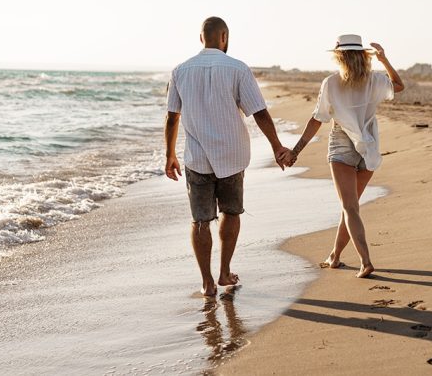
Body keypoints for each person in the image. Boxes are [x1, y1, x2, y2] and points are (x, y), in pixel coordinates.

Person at [164, 16, 291, 296]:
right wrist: (276, 146)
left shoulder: (180, 71)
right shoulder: (238, 69)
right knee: (231, 213)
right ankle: (224, 272)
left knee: (200, 220)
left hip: (196, 158)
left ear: (201, 38)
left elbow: (173, 117)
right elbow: (259, 112)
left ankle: (207, 282)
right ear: (224, 37)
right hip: (232, 156)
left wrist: (170, 155)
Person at [284, 34, 405, 278]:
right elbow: (399, 86)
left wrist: (295, 151)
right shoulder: (375, 80)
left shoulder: (331, 83)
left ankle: (365, 261)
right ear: (363, 56)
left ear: (339, 56)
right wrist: (384, 60)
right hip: (369, 146)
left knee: (350, 208)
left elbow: (317, 119)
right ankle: (335, 256)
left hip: (341, 146)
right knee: (351, 208)